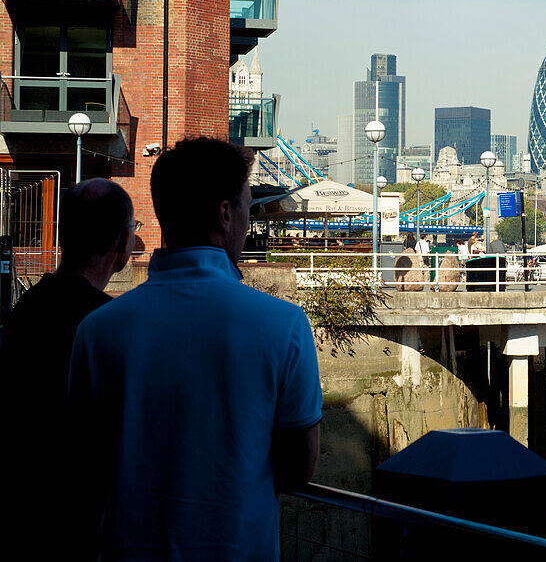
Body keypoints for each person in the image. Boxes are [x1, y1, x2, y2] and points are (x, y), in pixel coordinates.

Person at [68, 138, 323, 560]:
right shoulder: (284, 325)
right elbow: (299, 469)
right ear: (225, 215)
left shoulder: (97, 332)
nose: (248, 221)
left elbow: (84, 463)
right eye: (246, 207)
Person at [0, 179, 135, 558]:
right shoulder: (108, 322)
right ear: (123, 243)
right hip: (80, 518)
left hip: (24, 507)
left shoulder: (28, 308)